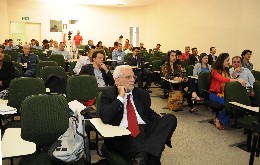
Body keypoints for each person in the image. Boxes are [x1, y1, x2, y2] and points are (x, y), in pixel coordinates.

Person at [99, 65, 177, 165]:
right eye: (128, 77)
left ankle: (143, 154)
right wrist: (120, 97)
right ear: (117, 80)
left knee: (170, 118)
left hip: (143, 129)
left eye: (133, 77)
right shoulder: (107, 93)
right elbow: (105, 118)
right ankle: (146, 154)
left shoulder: (142, 94)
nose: (132, 80)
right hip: (122, 134)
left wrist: (160, 126)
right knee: (152, 159)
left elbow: (148, 113)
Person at [209, 53, 246, 130]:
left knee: (234, 104)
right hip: (215, 95)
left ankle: (220, 119)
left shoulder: (226, 71)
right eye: (227, 60)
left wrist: (236, 78)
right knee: (230, 105)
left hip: (225, 94)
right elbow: (223, 80)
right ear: (222, 61)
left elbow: (229, 81)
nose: (229, 62)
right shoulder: (214, 71)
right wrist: (238, 80)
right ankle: (219, 120)